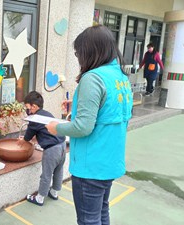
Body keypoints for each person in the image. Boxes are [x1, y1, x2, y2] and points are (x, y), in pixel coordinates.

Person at [46, 25, 133, 225]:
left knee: (88, 220)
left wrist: (55, 127)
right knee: (102, 212)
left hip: (91, 165)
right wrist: (76, 108)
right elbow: (110, 113)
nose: (78, 58)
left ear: (90, 51)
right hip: (110, 162)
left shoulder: (93, 78)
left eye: (78, 53)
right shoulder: (120, 77)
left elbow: (83, 127)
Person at [17, 91, 66, 206]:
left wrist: (22, 140)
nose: (27, 111)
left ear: (34, 106)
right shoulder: (47, 114)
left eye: (27, 108)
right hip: (62, 145)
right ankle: (54, 192)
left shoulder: (36, 118)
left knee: (46, 174)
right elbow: (44, 131)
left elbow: (28, 136)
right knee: (58, 170)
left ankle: (40, 198)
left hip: (52, 149)